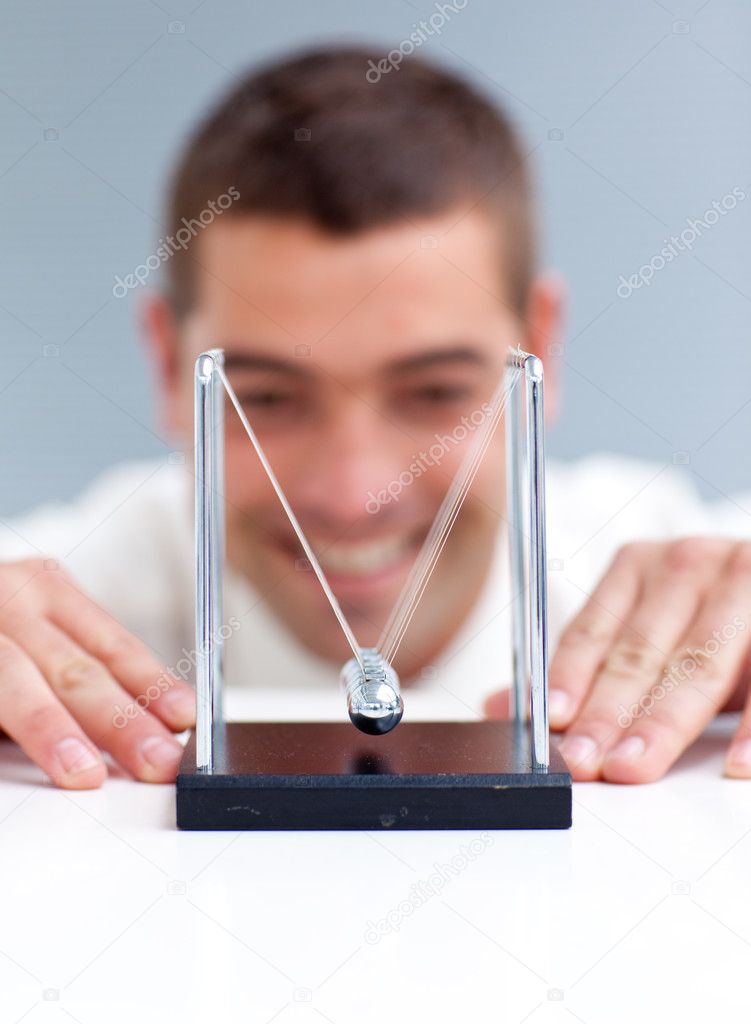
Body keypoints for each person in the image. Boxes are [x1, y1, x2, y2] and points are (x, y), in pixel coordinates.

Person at [1, 46, 750, 792]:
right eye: (264, 398)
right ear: (169, 366)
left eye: (434, 393)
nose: (355, 495)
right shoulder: (72, 606)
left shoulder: (675, 584)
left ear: (539, 351)